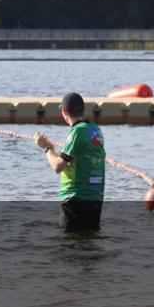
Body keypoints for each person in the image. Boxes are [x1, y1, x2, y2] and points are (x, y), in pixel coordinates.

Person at [35, 92, 106, 232]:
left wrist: (48, 148)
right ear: (82, 109)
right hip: (95, 198)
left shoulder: (77, 132)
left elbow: (58, 166)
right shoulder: (96, 129)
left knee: (70, 246)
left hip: (75, 199)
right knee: (89, 244)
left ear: (64, 112)